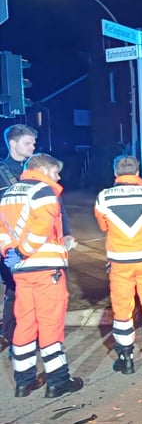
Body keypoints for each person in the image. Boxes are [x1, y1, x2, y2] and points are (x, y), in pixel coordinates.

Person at [0, 154, 83, 398]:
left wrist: (10, 252)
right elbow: (42, 227)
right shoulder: (43, 190)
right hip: (46, 268)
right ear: (44, 170)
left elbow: (2, 229)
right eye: (56, 172)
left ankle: (24, 380)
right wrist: (24, 250)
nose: (58, 177)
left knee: (25, 321)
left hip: (21, 270)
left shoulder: (9, 193)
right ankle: (58, 380)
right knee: (50, 322)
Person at [0, 125, 76, 352]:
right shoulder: (3, 172)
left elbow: (57, 205)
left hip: (38, 246)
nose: (32, 147)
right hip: (13, 244)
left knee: (28, 295)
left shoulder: (38, 169)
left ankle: (23, 342)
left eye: (33, 143)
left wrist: (66, 231)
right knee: (15, 290)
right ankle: (12, 337)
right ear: (12, 144)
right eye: (27, 143)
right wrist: (9, 248)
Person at [95, 155, 142, 375]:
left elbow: (103, 226)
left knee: (122, 310)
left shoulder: (103, 197)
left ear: (115, 172)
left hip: (120, 262)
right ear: (137, 172)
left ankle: (126, 360)